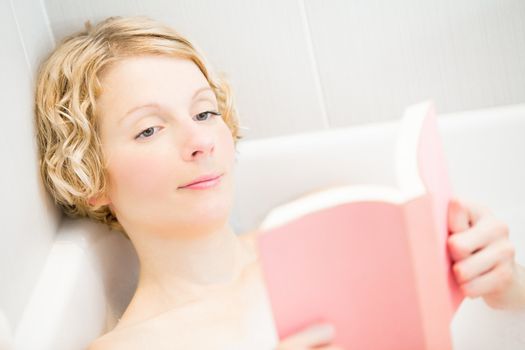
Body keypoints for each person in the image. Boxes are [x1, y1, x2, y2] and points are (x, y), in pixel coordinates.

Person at [34, 15, 525, 350]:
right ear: (89, 177)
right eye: (149, 129)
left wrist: (505, 288)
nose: (199, 141)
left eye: (205, 112)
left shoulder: (324, 227)